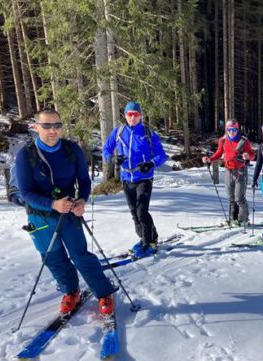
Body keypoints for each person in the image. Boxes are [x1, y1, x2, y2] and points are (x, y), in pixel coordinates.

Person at [14, 108, 117, 316]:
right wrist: (52, 204)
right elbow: (25, 192)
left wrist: (82, 200)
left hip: (69, 213)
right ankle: (70, 291)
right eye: (47, 126)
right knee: (52, 257)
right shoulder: (26, 155)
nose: (53, 130)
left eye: (57, 125)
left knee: (80, 255)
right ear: (36, 127)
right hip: (39, 217)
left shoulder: (72, 150)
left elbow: (84, 181)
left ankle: (103, 292)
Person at [102, 101, 168, 258]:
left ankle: (149, 243)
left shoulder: (148, 133)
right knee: (134, 213)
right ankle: (147, 237)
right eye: (130, 114)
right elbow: (106, 149)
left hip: (144, 178)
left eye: (136, 114)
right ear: (125, 115)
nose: (132, 117)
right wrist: (112, 158)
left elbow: (162, 155)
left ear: (140, 116)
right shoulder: (118, 132)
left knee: (141, 211)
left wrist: (150, 163)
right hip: (126, 178)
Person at [202, 119, 256, 226]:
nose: (232, 132)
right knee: (231, 197)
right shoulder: (222, 140)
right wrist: (210, 159)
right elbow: (219, 153)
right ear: (226, 130)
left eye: (234, 129)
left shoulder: (243, 141)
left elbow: (252, 155)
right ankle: (233, 218)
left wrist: (247, 156)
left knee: (239, 197)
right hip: (228, 170)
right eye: (229, 129)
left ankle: (243, 219)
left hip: (240, 171)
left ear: (237, 129)